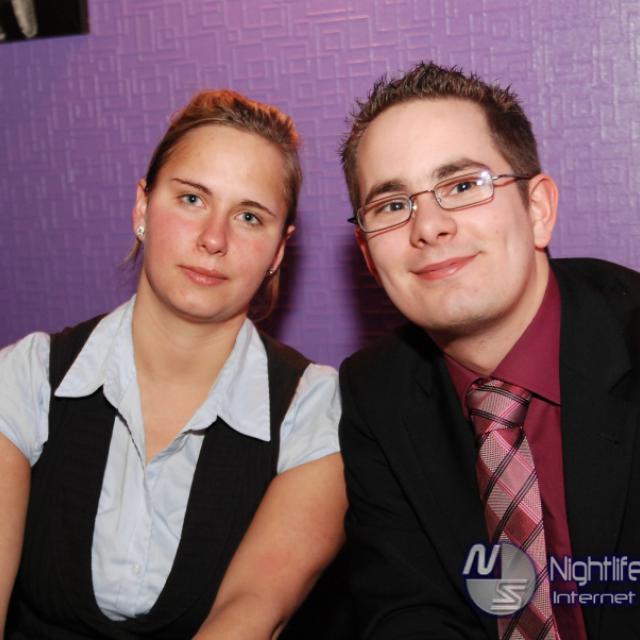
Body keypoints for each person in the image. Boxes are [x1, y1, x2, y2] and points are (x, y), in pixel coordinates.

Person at [0, 89, 347, 639]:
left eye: (249, 216)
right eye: (191, 199)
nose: (213, 239)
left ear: (278, 251)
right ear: (143, 207)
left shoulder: (314, 411)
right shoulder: (26, 377)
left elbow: (253, 610)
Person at [338, 61, 640, 639]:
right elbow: (406, 607)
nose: (429, 226)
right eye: (392, 205)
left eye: (462, 186)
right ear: (369, 255)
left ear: (537, 209)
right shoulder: (375, 391)